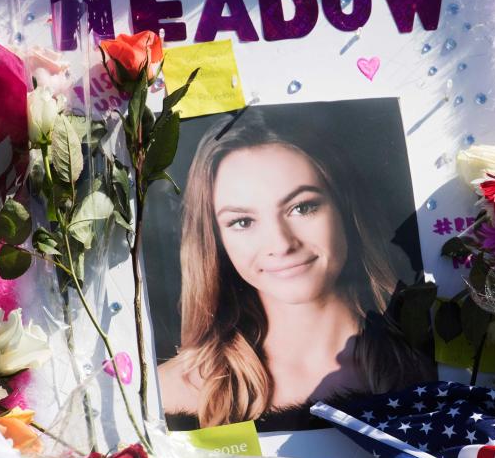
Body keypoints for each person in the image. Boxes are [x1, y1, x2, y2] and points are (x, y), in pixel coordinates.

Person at [158, 108, 434, 428]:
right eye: (243, 221)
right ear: (214, 239)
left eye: (302, 207)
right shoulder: (172, 391)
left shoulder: (436, 366)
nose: (281, 243)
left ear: (344, 208)